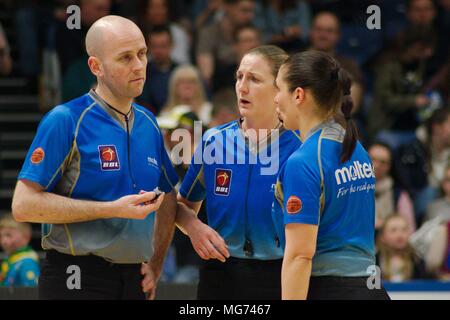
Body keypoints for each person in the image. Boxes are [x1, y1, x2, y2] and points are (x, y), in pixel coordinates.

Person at [11, 15, 179, 300]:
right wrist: (111, 208)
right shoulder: (66, 119)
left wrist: (156, 263)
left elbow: (167, 197)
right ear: (95, 66)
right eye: (125, 58)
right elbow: (23, 205)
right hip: (75, 277)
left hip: (134, 279)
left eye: (142, 54)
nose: (139, 66)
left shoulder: (150, 124)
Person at [175, 45, 302, 299]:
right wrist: (195, 227)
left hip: (280, 275)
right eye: (239, 77)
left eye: (254, 79)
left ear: (280, 89)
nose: (242, 87)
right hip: (219, 274)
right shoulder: (213, 141)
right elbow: (181, 207)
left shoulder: (302, 146)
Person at [273, 50, 389, 300]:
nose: (275, 99)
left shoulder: (303, 161)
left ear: (298, 95)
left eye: (278, 89)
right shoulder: (356, 148)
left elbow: (300, 255)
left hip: (330, 289)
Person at [376, 215, 429, 282]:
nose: (400, 235)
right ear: (382, 236)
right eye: (393, 230)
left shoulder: (417, 261)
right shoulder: (374, 262)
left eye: (404, 230)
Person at [0, 215, 40, 287]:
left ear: (26, 237)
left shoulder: (27, 262)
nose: (3, 241)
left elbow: (31, 293)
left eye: (8, 235)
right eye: (1, 236)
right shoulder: (11, 259)